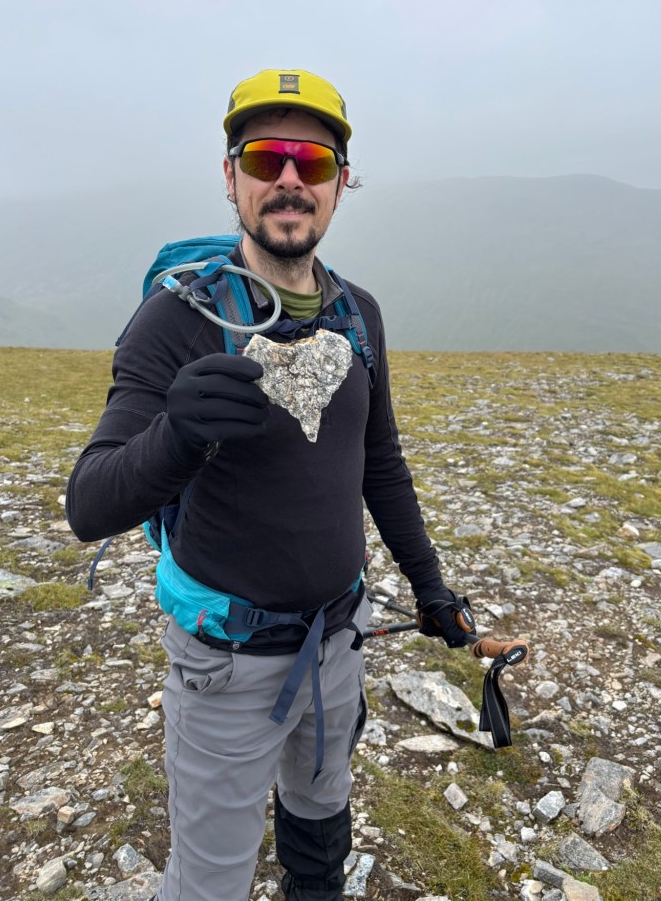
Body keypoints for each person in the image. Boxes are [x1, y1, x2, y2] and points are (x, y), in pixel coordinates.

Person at [66, 69, 474, 901]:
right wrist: (177, 435)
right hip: (225, 664)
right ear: (231, 177)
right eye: (265, 158)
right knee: (209, 881)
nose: (290, 178)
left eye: (313, 162)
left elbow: (379, 462)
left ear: (340, 184)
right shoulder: (178, 320)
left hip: (340, 638)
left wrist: (430, 589)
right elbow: (89, 504)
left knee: (321, 823)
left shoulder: (358, 312)